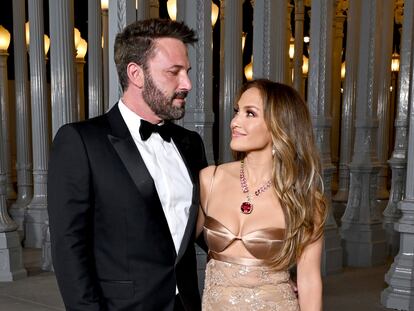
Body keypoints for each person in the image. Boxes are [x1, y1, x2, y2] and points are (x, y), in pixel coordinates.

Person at [48, 19, 207, 311]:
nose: (187, 84)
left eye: (187, 72)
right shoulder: (80, 142)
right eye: (174, 72)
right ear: (136, 73)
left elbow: (201, 229)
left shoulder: (190, 143)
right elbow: (69, 249)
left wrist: (260, 269)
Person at [197, 79, 327, 310]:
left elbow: (309, 280)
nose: (235, 122)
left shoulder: (304, 199)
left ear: (280, 125)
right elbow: (174, 244)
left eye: (250, 114)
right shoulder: (211, 179)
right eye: (237, 111)